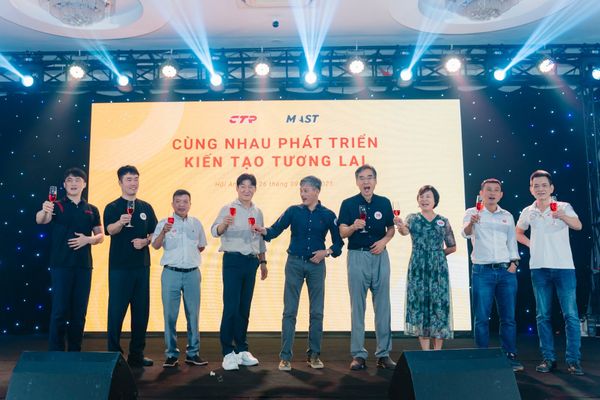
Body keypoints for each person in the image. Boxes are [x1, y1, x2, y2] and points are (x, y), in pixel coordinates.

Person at [253, 176, 344, 371]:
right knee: (289, 311)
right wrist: (263, 230)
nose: (303, 194)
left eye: (306, 190)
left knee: (317, 312)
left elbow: (338, 243)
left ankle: (314, 355)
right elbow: (274, 230)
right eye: (301, 190)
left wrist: (326, 252)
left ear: (317, 191)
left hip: (316, 266)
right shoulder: (293, 211)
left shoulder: (328, 215)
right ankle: (285, 357)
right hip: (294, 263)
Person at [516, 170, 584, 375]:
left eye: (544, 185)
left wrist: (562, 215)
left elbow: (578, 226)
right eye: (536, 186)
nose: (540, 189)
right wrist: (532, 244)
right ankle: (548, 358)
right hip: (539, 268)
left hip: (564, 267)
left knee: (571, 315)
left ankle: (573, 360)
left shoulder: (563, 206)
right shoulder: (528, 211)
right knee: (542, 315)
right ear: (531, 189)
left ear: (551, 188)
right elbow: (518, 232)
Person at [35, 167, 104, 352]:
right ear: (64, 185)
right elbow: (41, 220)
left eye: (77, 180)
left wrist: (88, 240)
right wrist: (44, 210)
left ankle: (75, 351)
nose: (74, 184)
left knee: (79, 312)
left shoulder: (92, 209)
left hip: (84, 266)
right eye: (70, 180)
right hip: (61, 265)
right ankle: (56, 352)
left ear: (84, 184)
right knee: (59, 311)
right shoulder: (56, 205)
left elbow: (100, 236)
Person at [338, 164, 396, 370]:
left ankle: (383, 354)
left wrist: (384, 242)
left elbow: (391, 228)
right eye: (362, 178)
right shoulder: (348, 203)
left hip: (380, 256)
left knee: (383, 306)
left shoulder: (384, 202)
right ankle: (358, 354)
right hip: (357, 256)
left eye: (369, 177)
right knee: (357, 306)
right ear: (357, 182)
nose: (366, 181)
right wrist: (353, 227)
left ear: (375, 180)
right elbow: (342, 232)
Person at [462, 178, 523, 371]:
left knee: (508, 318)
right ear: (481, 193)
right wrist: (471, 224)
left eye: (496, 190)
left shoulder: (507, 215)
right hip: (482, 271)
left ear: (501, 195)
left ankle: (509, 356)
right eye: (488, 189)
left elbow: (512, 241)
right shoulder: (472, 212)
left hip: (506, 272)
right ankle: (482, 357)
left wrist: (514, 263)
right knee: (481, 317)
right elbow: (465, 234)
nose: (492, 193)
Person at [211, 173, 268, 371]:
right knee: (231, 307)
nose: (246, 190)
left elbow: (260, 238)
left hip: (251, 262)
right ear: (237, 188)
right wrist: (224, 224)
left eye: (250, 186)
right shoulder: (228, 208)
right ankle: (228, 352)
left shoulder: (258, 211)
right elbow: (214, 231)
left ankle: (242, 349)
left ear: (255, 189)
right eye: (242, 186)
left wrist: (263, 261)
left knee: (244, 308)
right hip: (233, 261)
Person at [103, 165, 158, 368]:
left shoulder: (146, 207)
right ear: (120, 182)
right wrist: (120, 222)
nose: (133, 183)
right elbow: (109, 230)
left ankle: (137, 354)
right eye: (129, 179)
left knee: (141, 312)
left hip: (141, 267)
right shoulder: (112, 207)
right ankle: (114, 355)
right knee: (116, 312)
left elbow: (155, 233)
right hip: (119, 267)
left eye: (135, 179)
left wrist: (145, 241)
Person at [152, 189, 208, 368]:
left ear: (190, 204)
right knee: (170, 315)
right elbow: (155, 245)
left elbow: (201, 246)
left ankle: (193, 353)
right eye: (178, 201)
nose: (181, 205)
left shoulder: (196, 223)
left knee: (193, 315)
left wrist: (189, 258)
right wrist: (163, 232)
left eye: (185, 201)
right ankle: (171, 354)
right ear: (172, 204)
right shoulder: (164, 223)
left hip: (192, 273)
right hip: (171, 273)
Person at [396, 185, 456, 350]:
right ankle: (425, 352)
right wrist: (400, 226)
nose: (424, 199)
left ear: (435, 200)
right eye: (421, 196)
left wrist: (437, 256)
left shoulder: (443, 221)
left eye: (428, 196)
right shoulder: (412, 218)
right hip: (418, 268)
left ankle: (437, 352)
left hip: (438, 270)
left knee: (438, 307)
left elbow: (452, 247)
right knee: (420, 306)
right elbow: (404, 232)